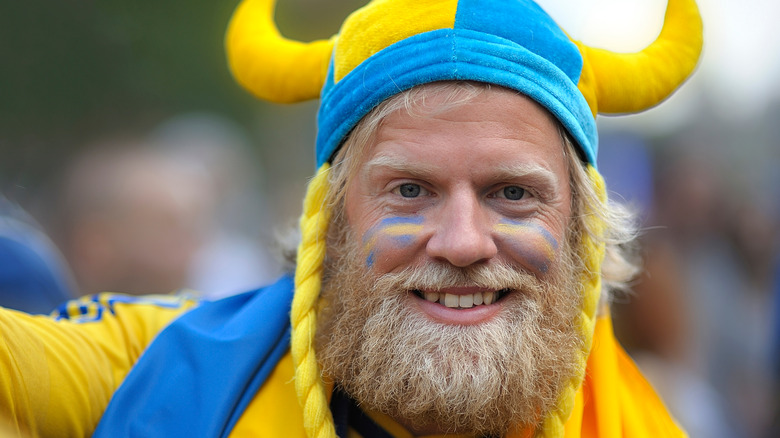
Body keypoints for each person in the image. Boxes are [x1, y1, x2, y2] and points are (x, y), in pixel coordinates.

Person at [0, 0, 703, 436]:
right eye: (408, 191)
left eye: (513, 194)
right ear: (329, 222)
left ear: (581, 227)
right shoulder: (157, 366)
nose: (461, 242)